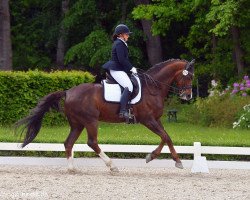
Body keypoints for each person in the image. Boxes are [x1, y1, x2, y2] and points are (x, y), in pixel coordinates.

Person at [102, 24, 137, 120]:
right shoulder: (119, 44)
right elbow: (122, 60)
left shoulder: (121, 43)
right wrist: (131, 68)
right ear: (121, 35)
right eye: (127, 34)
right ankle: (123, 111)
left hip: (119, 68)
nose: (128, 36)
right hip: (116, 69)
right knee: (129, 86)